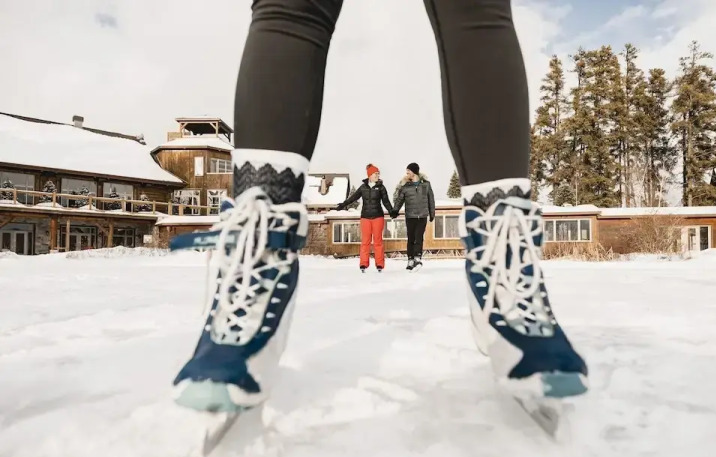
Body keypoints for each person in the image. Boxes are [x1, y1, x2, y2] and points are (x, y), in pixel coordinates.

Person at [169, 0, 588, 414]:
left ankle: (500, 253)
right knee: (291, 4)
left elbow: (396, 197)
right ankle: (262, 249)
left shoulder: (401, 186)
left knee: (476, 6)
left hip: (391, 216)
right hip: (368, 216)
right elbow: (364, 196)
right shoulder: (380, 186)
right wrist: (356, 203)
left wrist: (396, 209)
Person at [336, 163, 394, 273]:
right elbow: (353, 198)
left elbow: (386, 202)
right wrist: (343, 205)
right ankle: (363, 263)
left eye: (378, 174)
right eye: (375, 174)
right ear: (370, 175)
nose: (377, 175)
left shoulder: (381, 187)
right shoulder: (363, 188)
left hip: (378, 217)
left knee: (378, 241)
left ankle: (379, 264)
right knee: (365, 241)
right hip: (365, 217)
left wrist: (392, 211)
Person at [391, 162, 435, 271]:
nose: (406, 174)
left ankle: (417, 258)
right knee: (411, 238)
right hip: (410, 216)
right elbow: (400, 200)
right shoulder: (406, 186)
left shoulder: (426, 185)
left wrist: (432, 213)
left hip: (422, 216)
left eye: (408, 172)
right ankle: (410, 259)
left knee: (419, 238)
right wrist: (395, 211)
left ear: (414, 172)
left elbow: (431, 199)